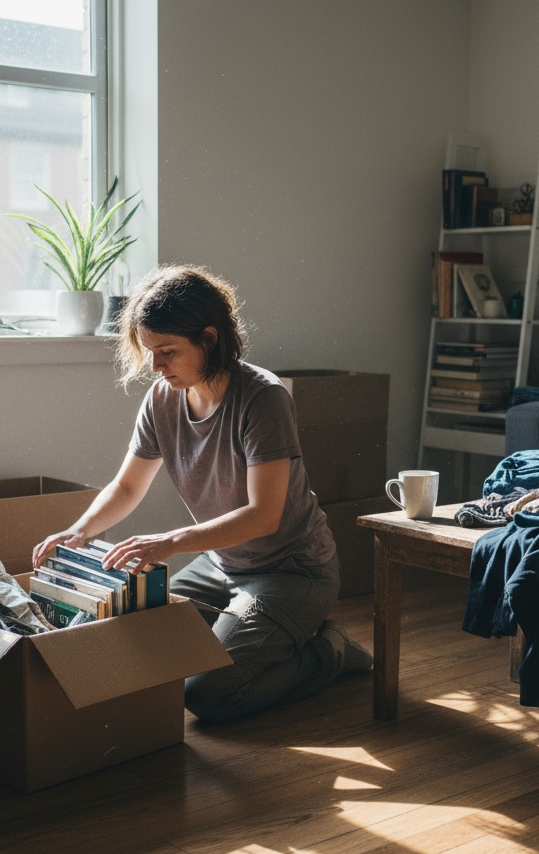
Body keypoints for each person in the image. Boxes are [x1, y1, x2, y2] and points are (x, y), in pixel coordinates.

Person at [32, 264, 372, 721]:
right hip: (221, 564)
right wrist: (77, 532)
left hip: (292, 572)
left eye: (168, 351)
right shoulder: (162, 398)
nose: (156, 366)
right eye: (150, 351)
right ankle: (280, 635)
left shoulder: (263, 398)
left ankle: (329, 649)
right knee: (141, 647)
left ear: (209, 338)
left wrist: (168, 543)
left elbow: (262, 517)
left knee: (208, 694)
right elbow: (128, 485)